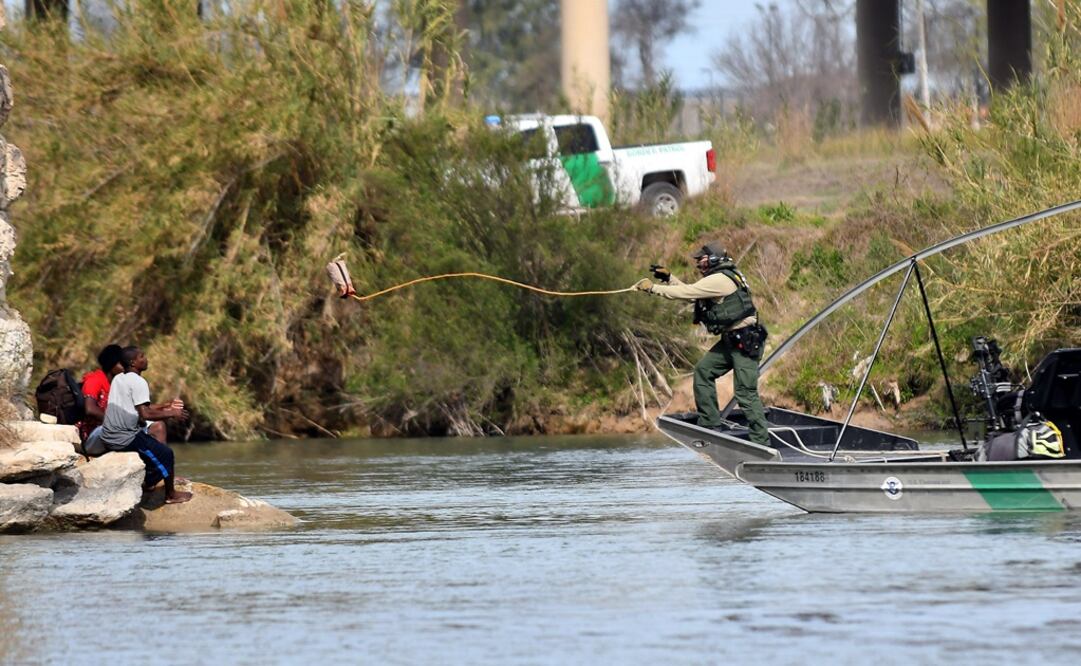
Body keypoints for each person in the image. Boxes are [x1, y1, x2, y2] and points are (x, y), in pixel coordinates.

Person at [636, 243, 770, 446]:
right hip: (731, 341)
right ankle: (710, 423)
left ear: (714, 259)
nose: (698, 263)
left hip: (745, 342)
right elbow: (694, 293)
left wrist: (653, 288)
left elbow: (688, 293)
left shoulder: (720, 279)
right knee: (703, 370)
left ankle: (761, 441)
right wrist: (670, 279)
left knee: (745, 392)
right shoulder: (718, 278)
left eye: (702, 259)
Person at [99, 346, 192, 504]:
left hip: (109, 434)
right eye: (142, 356)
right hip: (123, 437)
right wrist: (172, 413)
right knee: (166, 454)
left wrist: (165, 407)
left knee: (154, 448)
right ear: (133, 362)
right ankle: (169, 495)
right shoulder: (138, 381)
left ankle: (149, 483)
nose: (146, 358)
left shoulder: (118, 378)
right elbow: (146, 414)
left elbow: (136, 411)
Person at [78, 344, 169, 456]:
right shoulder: (95, 380)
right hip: (95, 434)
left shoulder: (121, 382)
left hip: (118, 431)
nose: (125, 366)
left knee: (158, 427)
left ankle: (164, 469)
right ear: (111, 365)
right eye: (122, 363)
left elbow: (140, 409)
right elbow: (90, 409)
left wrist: (165, 407)